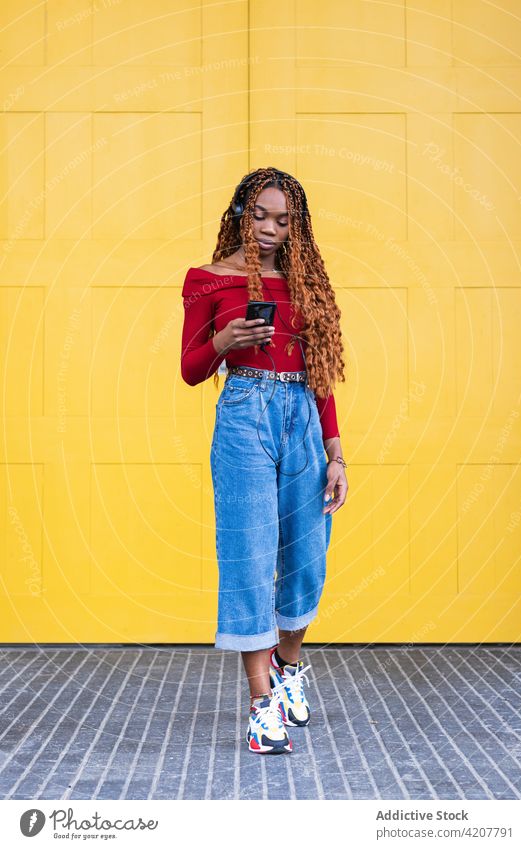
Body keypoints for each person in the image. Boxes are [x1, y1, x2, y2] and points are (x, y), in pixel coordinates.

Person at [180, 167, 348, 754]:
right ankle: (259, 704)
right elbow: (191, 368)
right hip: (245, 413)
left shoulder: (307, 283)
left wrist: (335, 452)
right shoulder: (206, 280)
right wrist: (227, 342)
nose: (271, 229)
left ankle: (287, 662)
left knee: (307, 556)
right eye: (260, 216)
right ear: (238, 214)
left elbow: (322, 374)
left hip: (303, 414)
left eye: (284, 219)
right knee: (249, 555)